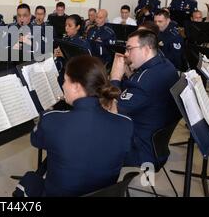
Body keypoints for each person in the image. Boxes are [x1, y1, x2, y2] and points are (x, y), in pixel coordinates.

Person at [14, 55, 133, 197]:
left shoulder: (52, 120)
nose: (63, 85)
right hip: (104, 193)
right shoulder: (126, 123)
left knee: (29, 179)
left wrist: (48, 112)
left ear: (77, 87)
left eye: (65, 81)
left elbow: (36, 140)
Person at [110, 29, 180, 166]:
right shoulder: (166, 65)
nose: (126, 54)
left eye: (130, 49)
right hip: (156, 143)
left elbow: (113, 111)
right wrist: (130, 74)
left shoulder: (144, 82)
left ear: (146, 49)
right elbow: (144, 94)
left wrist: (115, 78)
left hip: (139, 148)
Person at [54, 14, 92, 85]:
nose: (66, 28)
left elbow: (83, 66)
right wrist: (56, 55)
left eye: (70, 26)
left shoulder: (82, 43)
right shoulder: (65, 39)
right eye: (66, 25)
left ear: (77, 27)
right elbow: (60, 62)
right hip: (63, 75)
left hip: (76, 80)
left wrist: (64, 55)